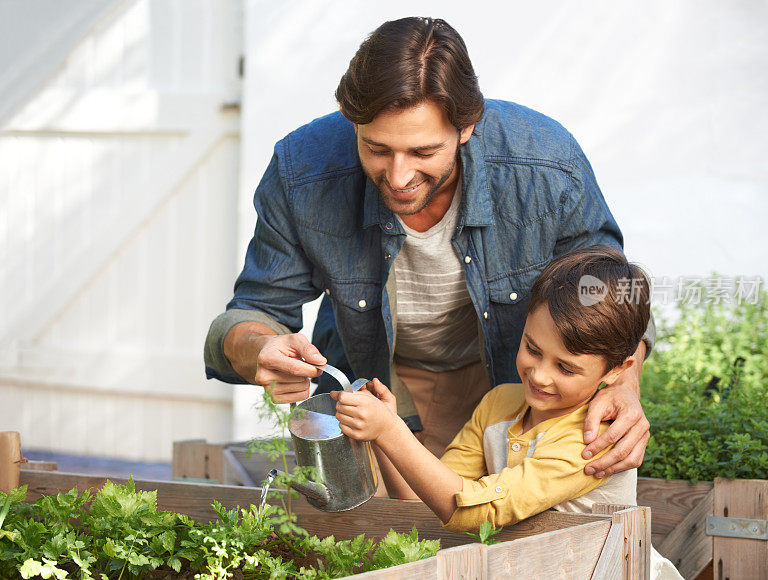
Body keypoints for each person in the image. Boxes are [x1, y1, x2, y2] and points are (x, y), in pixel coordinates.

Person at [203, 17, 654, 490]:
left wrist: (625, 381)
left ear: (467, 126)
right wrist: (259, 347)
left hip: (509, 383)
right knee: (387, 545)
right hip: (379, 383)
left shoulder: (545, 166)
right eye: (376, 148)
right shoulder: (302, 172)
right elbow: (253, 312)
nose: (398, 177)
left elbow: (608, 290)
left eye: (423, 151)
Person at [332, 246, 682, 578]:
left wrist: (390, 431)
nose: (540, 375)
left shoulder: (595, 437)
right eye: (532, 348)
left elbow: (474, 512)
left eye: (566, 368)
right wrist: (384, 433)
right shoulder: (499, 403)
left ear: (617, 370)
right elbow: (429, 502)